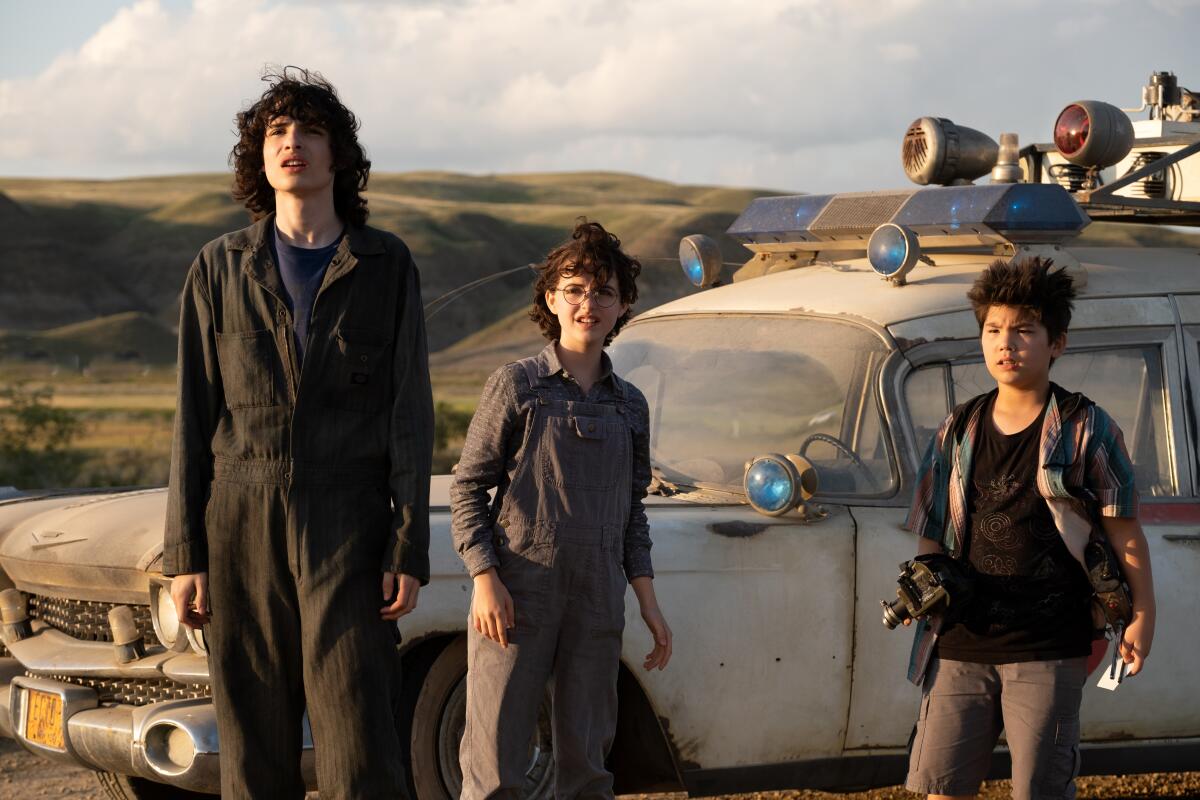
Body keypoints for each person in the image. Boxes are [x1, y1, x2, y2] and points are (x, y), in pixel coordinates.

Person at [163, 68, 434, 798]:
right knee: (252, 745)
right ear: (259, 157)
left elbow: (410, 415)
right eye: (277, 133)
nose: (293, 144)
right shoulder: (219, 268)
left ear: (338, 155)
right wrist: (185, 554)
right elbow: (192, 418)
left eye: (310, 131)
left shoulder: (385, 265)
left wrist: (408, 546)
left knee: (360, 739)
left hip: (349, 522)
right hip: (239, 520)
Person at [903, 257, 1156, 800]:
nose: (1006, 343)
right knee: (941, 788)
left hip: (1049, 645)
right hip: (960, 645)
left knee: (1039, 790)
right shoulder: (958, 428)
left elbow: (1124, 532)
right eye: (994, 329)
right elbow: (932, 527)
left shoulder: (1088, 427)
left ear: (1056, 343)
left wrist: (1142, 615)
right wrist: (923, 593)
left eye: (1024, 330)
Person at [450, 220, 673, 798]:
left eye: (603, 292)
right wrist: (484, 577)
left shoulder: (631, 405)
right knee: (495, 763)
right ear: (552, 298)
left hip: (599, 594)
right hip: (518, 589)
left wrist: (647, 603)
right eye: (574, 290)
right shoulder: (517, 384)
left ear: (623, 305)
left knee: (588, 767)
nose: (588, 304)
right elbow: (467, 487)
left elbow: (632, 514)